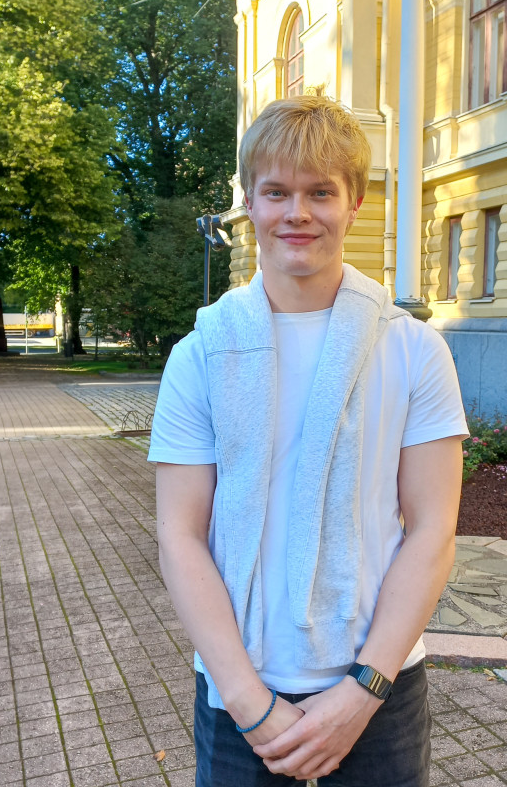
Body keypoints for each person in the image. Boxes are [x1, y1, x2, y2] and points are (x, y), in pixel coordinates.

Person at [148, 94, 468, 786]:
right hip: (241, 689)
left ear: (354, 202)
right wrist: (251, 705)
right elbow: (180, 535)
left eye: (321, 191)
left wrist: (363, 691)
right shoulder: (200, 355)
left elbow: (433, 528)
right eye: (277, 192)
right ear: (249, 204)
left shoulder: (414, 352)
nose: (298, 212)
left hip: (379, 687)